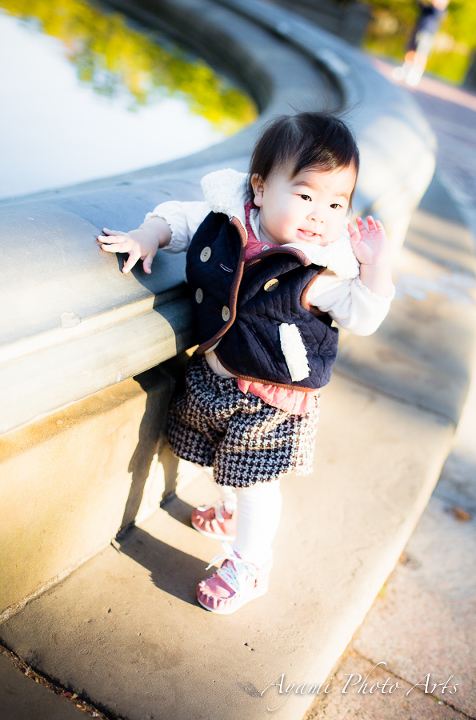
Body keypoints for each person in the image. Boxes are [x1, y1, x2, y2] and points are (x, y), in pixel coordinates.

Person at [97, 112, 394, 614]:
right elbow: (180, 217)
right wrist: (149, 235)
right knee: (225, 456)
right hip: (221, 374)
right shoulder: (228, 220)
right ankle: (233, 511)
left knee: (256, 477)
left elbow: (363, 315)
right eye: (305, 195)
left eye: (336, 202)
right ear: (259, 187)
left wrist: (375, 267)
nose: (320, 213)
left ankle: (251, 565)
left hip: (274, 396)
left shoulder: (317, 268)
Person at [392, 0, 450, 87]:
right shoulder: (429, 8)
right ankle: (405, 69)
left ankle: (415, 75)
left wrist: (436, 3)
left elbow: (437, 11)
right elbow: (420, 6)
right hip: (418, 31)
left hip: (427, 34)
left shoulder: (441, 11)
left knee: (421, 54)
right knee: (411, 50)